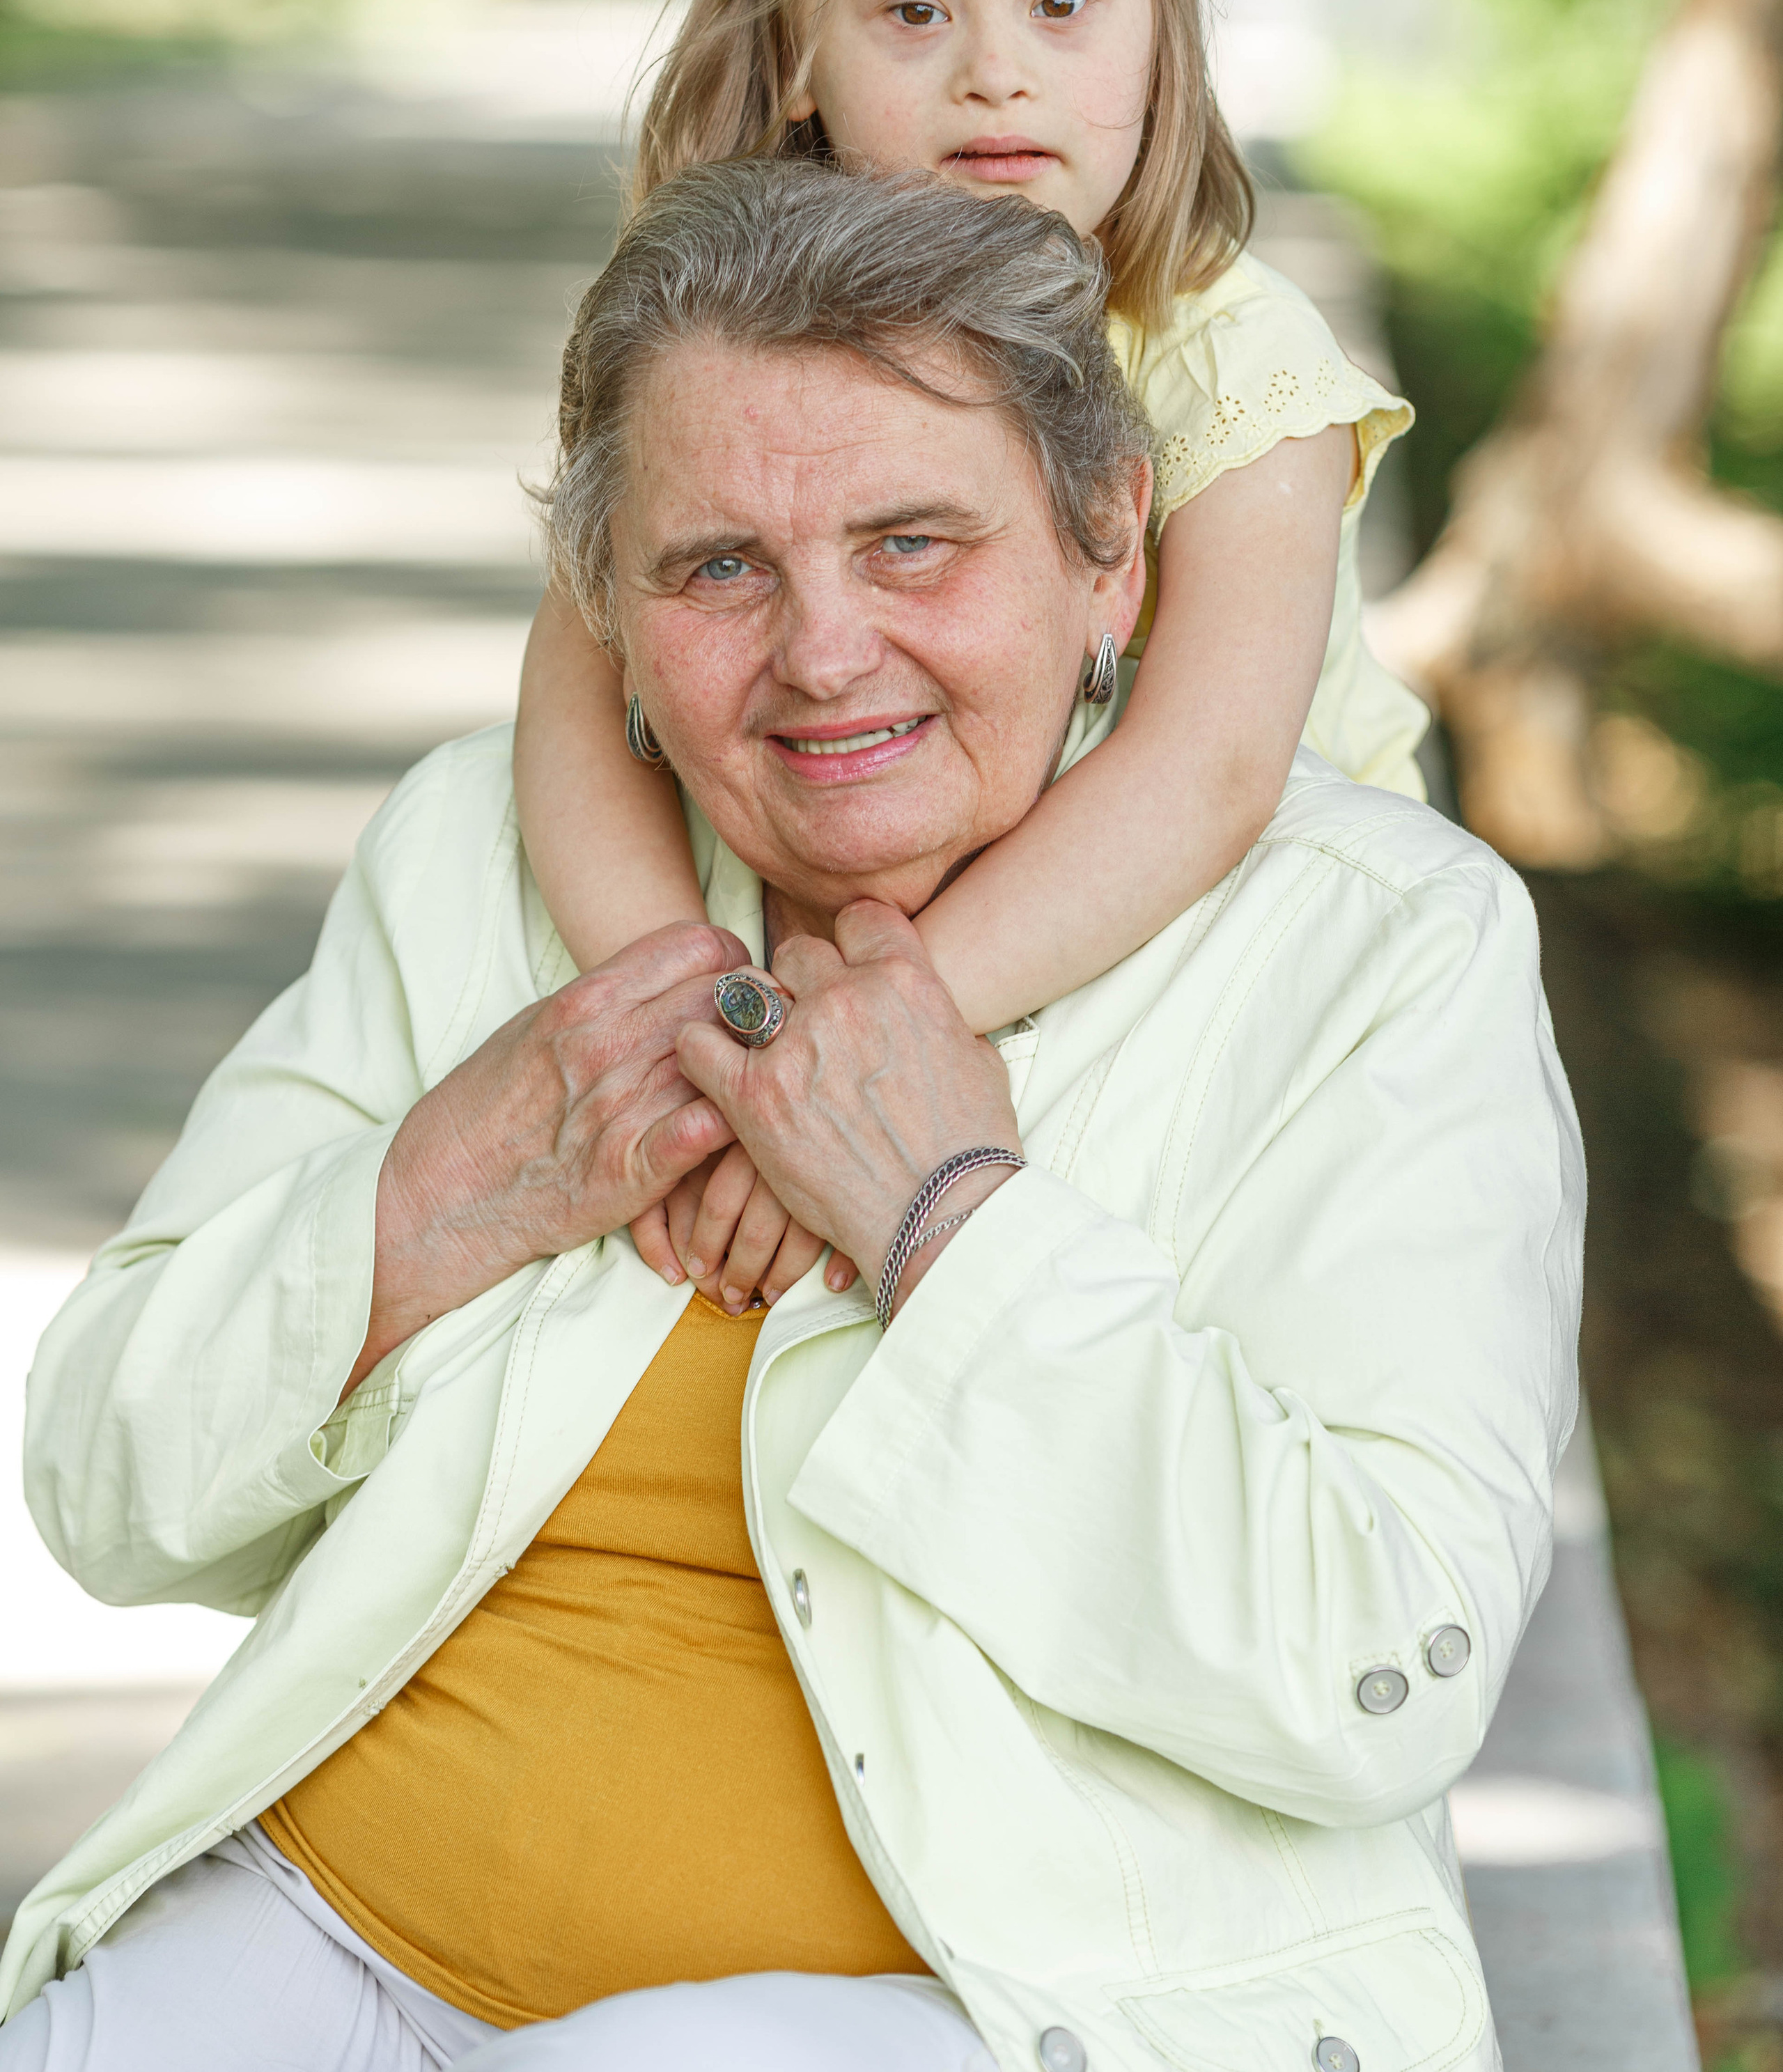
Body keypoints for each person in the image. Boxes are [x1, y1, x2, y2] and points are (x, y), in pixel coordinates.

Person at [0, 162, 1581, 2072]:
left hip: (995, 2012)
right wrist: (448, 1189)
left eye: (916, 543)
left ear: (1111, 552)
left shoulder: (1379, 954)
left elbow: (1370, 1669)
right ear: (612, 610)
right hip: (329, 1928)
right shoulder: (478, 859)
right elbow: (103, 1486)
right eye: (718, 568)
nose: (823, 652)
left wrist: (951, 1218)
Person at [512, 0, 1430, 1318]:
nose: (996, 71)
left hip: (1218, 953)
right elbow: (576, 714)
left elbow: (1206, 775)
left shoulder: (1231, 353)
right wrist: (718, 1048)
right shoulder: (718, 344)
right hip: (867, 932)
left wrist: (850, 1058)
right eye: (913, 13)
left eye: (1065, 6)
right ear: (794, 52)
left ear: (1161, 33)